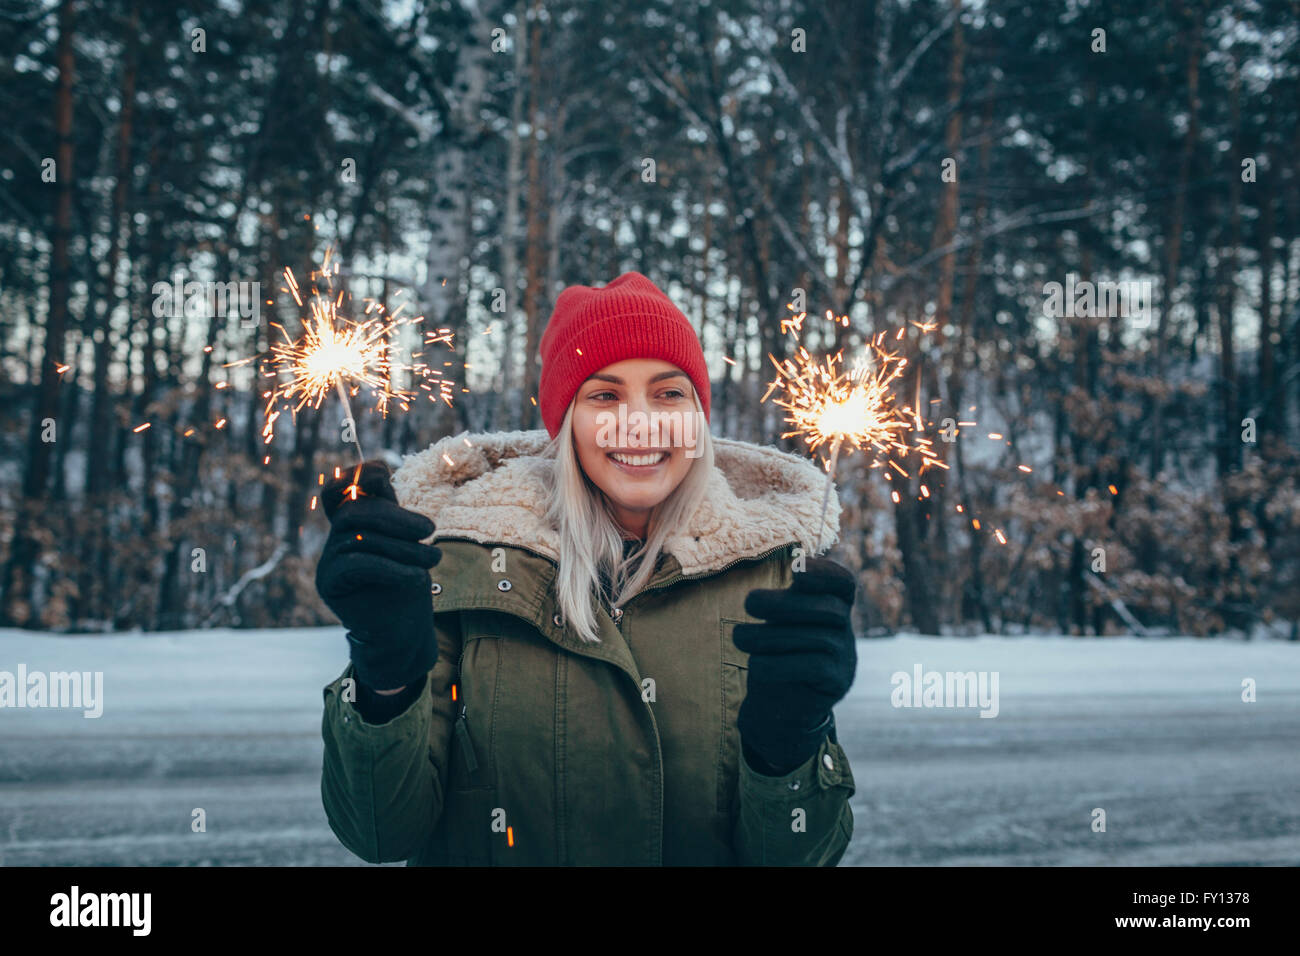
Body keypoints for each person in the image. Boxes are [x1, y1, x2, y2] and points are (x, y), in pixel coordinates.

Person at [315, 271, 858, 865]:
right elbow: (380, 832)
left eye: (669, 393)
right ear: (566, 420)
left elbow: (800, 857)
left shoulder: (774, 579)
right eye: (604, 396)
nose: (641, 421)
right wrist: (384, 679)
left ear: (697, 416)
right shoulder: (457, 562)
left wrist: (789, 749)